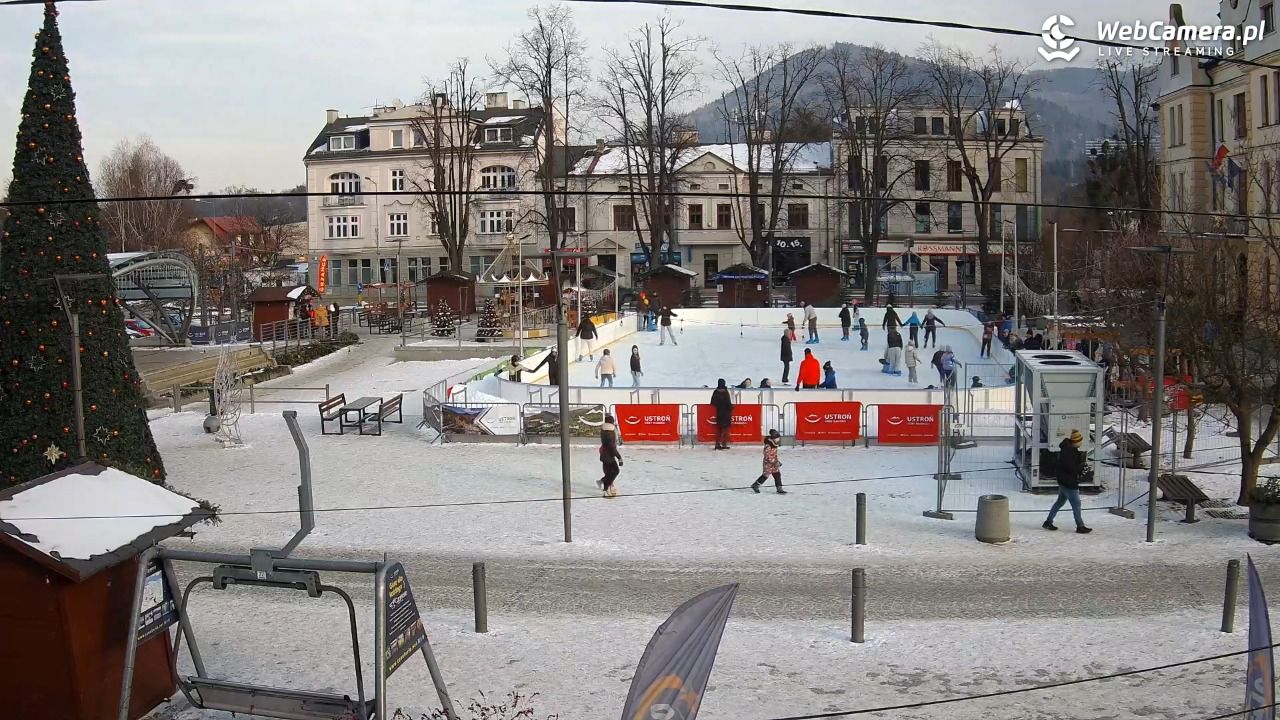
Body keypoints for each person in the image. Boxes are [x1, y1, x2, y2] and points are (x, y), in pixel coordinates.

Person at [1043, 429, 1092, 533]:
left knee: (1059, 502)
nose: (1081, 443)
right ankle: (1080, 526)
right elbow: (1071, 467)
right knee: (1076, 504)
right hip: (1069, 482)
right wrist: (1081, 468)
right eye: (1080, 441)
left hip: (1063, 481)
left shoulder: (1066, 449)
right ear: (1076, 441)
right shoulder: (1070, 452)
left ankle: (1048, 522)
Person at [750, 429, 787, 494]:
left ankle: (779, 488)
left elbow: (774, 455)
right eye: (776, 438)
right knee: (765, 475)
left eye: (778, 438)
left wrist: (777, 461)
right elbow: (768, 456)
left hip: (774, 463)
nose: (778, 440)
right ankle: (755, 485)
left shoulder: (775, 445)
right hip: (768, 463)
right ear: (772, 438)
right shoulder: (768, 445)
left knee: (777, 474)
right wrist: (775, 462)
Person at [598, 415, 623, 498]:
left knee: (609, 472)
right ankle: (605, 484)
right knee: (615, 471)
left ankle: (605, 486)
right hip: (608, 455)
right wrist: (619, 457)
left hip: (605, 454)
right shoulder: (609, 432)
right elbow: (612, 447)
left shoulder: (605, 430)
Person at [710, 379, 734, 450]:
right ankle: (724, 444)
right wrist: (731, 407)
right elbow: (728, 403)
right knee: (725, 430)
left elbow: (712, 402)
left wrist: (718, 406)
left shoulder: (715, 392)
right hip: (726, 413)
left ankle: (717, 444)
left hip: (719, 412)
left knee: (718, 429)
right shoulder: (725, 392)